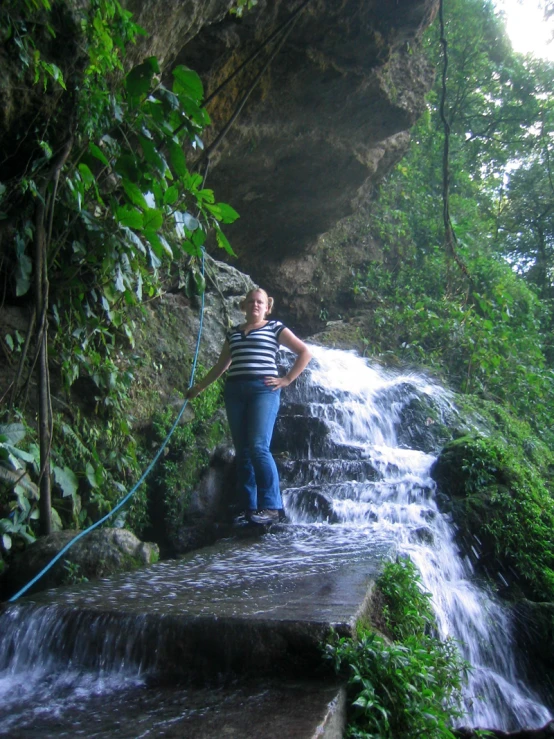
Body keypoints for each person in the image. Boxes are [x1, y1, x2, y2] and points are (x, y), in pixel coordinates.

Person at [186, 287, 312, 524]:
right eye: (251, 301)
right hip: (235, 391)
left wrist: (286, 379)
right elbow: (221, 366)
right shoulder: (233, 333)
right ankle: (248, 508)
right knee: (243, 451)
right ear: (243, 306)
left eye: (260, 302)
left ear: (267, 307)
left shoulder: (275, 328)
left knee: (258, 446)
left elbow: (304, 352)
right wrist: (199, 387)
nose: (255, 305)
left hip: (264, 391)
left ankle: (271, 506)